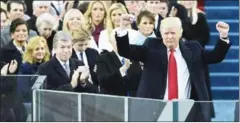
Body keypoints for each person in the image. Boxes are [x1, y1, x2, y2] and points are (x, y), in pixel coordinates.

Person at [115, 15, 231, 121]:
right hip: (156, 109)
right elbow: (126, 51)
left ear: (180, 33)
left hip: (186, 110)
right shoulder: (151, 46)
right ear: (161, 33)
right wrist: (123, 29)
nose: (169, 37)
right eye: (166, 33)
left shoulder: (194, 48)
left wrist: (223, 36)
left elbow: (215, 57)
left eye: (173, 33)